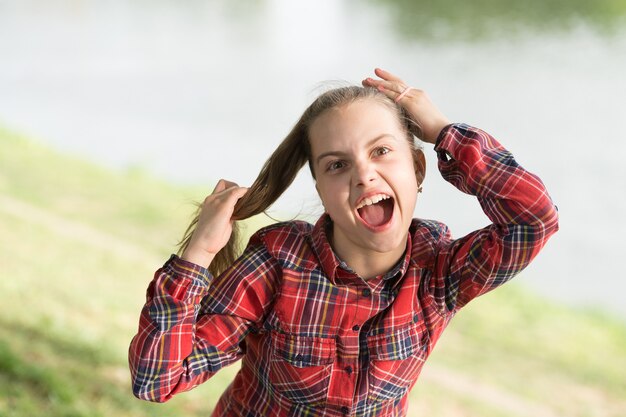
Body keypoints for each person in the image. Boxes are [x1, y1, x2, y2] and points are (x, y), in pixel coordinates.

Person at [128, 68, 559, 416]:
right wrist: (197, 256)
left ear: (418, 171)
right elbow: (157, 380)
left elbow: (533, 220)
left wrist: (445, 131)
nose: (363, 174)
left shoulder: (438, 272)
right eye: (337, 165)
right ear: (321, 191)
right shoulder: (277, 263)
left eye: (381, 151)